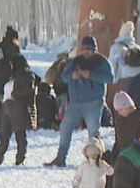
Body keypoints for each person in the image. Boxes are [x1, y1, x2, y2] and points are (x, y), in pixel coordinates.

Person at [45, 37, 112, 167]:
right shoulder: (75, 62)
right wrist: (72, 76)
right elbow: (63, 77)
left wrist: (91, 75)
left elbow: (110, 78)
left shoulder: (102, 62)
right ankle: (60, 158)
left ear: (95, 50)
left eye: (90, 49)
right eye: (85, 49)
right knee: (65, 127)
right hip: (75, 104)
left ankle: (97, 160)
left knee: (93, 132)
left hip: (94, 102)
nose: (87, 51)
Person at [0, 55, 39, 166]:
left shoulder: (26, 75)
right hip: (9, 105)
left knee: (16, 134)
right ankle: (4, 157)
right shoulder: (17, 75)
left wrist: (14, 95)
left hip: (17, 105)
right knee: (8, 134)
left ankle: (15, 158)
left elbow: (29, 90)